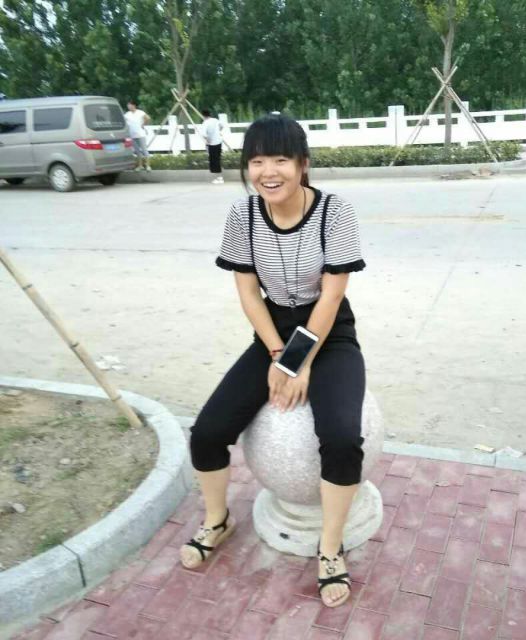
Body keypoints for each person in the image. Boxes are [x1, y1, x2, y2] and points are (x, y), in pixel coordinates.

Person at [181, 114, 367, 609]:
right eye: (257, 161)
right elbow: (248, 293)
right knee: (207, 432)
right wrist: (279, 354)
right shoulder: (242, 216)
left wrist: (298, 362)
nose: (268, 171)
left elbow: (331, 298)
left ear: (302, 164)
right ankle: (217, 520)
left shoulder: (334, 212)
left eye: (281, 160)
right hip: (273, 331)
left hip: (331, 334)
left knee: (343, 439)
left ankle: (330, 547)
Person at [125, 100, 151, 172]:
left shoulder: (140, 112)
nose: (128, 106)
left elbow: (148, 118)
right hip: (132, 135)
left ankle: (148, 166)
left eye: (129, 105)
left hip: (141, 134)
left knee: (144, 150)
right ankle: (140, 166)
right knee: (137, 151)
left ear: (134, 105)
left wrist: (143, 124)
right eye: (128, 105)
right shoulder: (127, 114)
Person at [200, 109, 225, 184]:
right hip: (219, 142)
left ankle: (219, 178)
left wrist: (207, 140)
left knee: (214, 161)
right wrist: (218, 132)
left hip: (212, 144)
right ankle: (219, 177)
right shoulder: (215, 120)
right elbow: (222, 126)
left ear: (203, 115)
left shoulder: (205, 123)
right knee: (218, 159)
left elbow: (204, 134)